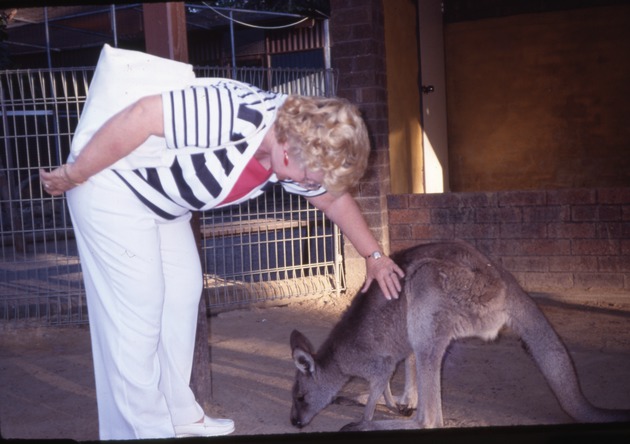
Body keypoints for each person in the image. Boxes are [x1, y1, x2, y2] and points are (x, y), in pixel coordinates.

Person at [40, 78, 404, 440]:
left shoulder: (293, 149)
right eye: (309, 179)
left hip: (164, 205)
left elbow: (333, 200)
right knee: (139, 307)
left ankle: (177, 412)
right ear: (293, 150)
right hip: (110, 185)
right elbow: (142, 114)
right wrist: (75, 173)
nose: (310, 187)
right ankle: (140, 430)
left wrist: (373, 256)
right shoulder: (236, 113)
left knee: (182, 296)